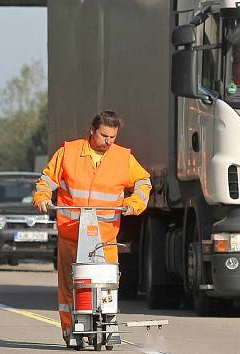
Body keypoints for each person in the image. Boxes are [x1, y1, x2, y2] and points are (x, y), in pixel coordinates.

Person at [32, 110, 152, 346]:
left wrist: (134, 204)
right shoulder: (69, 152)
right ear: (92, 131)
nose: (108, 142)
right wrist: (42, 197)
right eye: (104, 136)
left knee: (106, 284)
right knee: (69, 285)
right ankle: (70, 329)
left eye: (113, 137)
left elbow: (143, 182)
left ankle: (105, 323)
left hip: (105, 238)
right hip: (71, 234)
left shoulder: (123, 158)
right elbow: (46, 180)